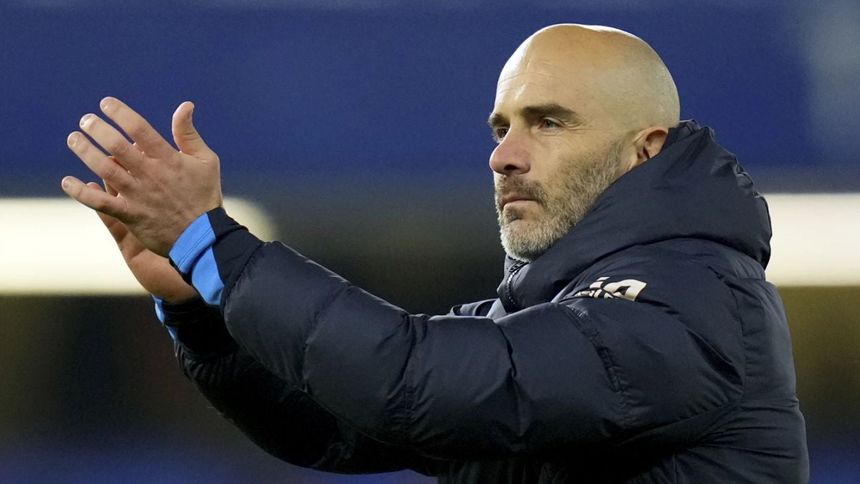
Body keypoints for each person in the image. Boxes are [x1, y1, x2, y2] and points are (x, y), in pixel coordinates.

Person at [62, 24, 809, 483]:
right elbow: (333, 423)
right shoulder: (541, 316)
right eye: (501, 127)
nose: (504, 156)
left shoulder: (693, 298)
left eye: (548, 122)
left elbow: (421, 382)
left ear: (644, 151)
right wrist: (199, 305)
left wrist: (217, 248)